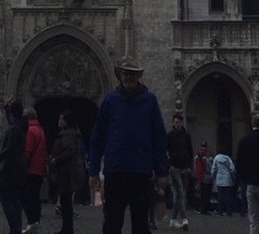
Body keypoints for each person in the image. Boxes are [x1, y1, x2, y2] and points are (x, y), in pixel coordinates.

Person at [88, 54, 170, 234]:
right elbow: (98, 137)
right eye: (125, 73)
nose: (128, 77)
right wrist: (94, 170)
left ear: (138, 76)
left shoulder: (150, 101)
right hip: (115, 170)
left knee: (140, 223)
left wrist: (162, 170)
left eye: (132, 74)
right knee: (111, 222)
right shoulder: (110, 101)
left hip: (140, 171)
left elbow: (159, 137)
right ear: (120, 76)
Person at [50, 111, 86, 234]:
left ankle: (67, 229)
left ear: (66, 121)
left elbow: (68, 151)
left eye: (61, 119)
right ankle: (66, 228)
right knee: (66, 201)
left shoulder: (68, 135)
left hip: (67, 172)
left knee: (66, 202)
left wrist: (56, 159)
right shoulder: (69, 134)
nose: (59, 121)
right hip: (68, 171)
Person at [0, 100, 29, 234]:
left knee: (7, 200)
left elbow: (10, 148)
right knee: (15, 199)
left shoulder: (14, 129)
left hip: (9, 169)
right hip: (19, 168)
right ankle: (16, 228)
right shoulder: (22, 126)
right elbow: (12, 124)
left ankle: (15, 229)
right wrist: (6, 110)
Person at [23, 106, 48, 234]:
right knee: (35, 198)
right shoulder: (40, 130)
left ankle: (32, 222)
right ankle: (35, 222)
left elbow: (27, 152)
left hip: (31, 169)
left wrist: (22, 168)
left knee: (28, 198)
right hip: (39, 169)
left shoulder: (31, 131)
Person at [167, 111, 193, 229]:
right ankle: (184, 219)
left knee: (179, 195)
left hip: (185, 167)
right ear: (173, 123)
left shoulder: (187, 136)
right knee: (181, 193)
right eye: (176, 122)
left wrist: (190, 167)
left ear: (182, 123)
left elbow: (190, 151)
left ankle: (173, 219)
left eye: (179, 122)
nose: (177, 124)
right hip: (175, 167)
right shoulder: (170, 135)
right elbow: (165, 151)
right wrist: (169, 166)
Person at [210, 150, 237, 215]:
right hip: (228, 179)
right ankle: (229, 212)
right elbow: (232, 169)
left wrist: (214, 176)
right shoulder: (228, 158)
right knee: (228, 197)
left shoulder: (216, 158)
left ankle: (220, 211)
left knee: (220, 197)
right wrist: (233, 177)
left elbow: (214, 169)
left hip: (219, 179)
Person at [193, 143, 212, 214]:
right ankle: (205, 209)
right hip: (206, 177)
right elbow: (209, 168)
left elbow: (195, 167)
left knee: (201, 194)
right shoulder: (207, 157)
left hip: (199, 177)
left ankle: (200, 207)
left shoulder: (196, 157)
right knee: (207, 194)